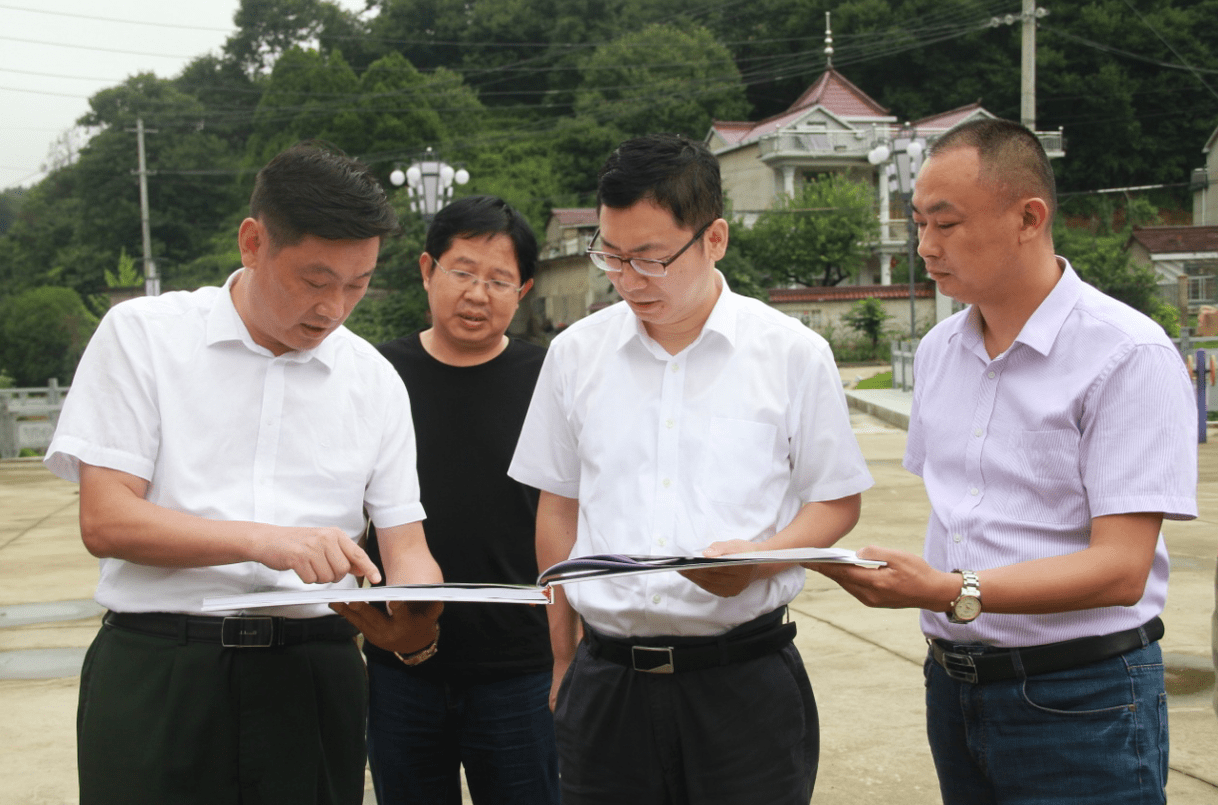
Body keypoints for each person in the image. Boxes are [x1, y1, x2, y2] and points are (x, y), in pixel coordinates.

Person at [44, 143, 444, 805]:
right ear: (253, 242)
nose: (335, 308)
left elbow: (408, 547)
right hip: (161, 667)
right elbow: (106, 518)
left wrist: (419, 616)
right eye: (316, 280)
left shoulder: (372, 379)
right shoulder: (144, 337)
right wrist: (264, 539)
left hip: (313, 669)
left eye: (358, 283)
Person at [814, 119, 1198, 805]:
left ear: (1029, 217)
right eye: (918, 224)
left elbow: (1121, 567)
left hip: (1081, 696)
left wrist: (945, 588)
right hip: (955, 685)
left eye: (947, 223)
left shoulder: (1126, 352)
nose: (925, 246)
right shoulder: (938, 351)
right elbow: (966, 514)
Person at [507, 133, 874, 805]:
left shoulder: (791, 352)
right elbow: (557, 508)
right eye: (611, 256)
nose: (628, 279)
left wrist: (761, 557)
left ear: (715, 239)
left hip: (742, 679)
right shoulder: (575, 355)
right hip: (607, 680)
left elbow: (835, 502)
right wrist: (563, 655)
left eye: (651, 258)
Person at [347, 195, 559, 805]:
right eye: (462, 272)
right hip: (401, 665)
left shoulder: (546, 378)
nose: (478, 293)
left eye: (499, 280)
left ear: (523, 291)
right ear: (425, 269)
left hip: (521, 666)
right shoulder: (376, 374)